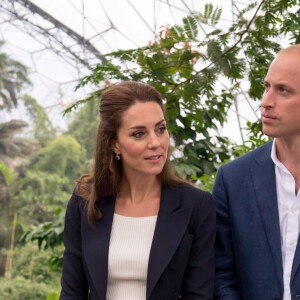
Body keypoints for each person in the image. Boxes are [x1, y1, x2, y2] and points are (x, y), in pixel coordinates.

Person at [59, 81, 216, 300]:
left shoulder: (196, 205)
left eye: (160, 129)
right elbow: (71, 292)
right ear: (114, 143)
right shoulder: (85, 200)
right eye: (138, 134)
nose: (155, 142)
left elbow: (200, 294)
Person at [213, 44, 300, 299]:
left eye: (283, 91)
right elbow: (221, 276)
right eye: (267, 87)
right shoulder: (233, 180)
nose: (266, 102)